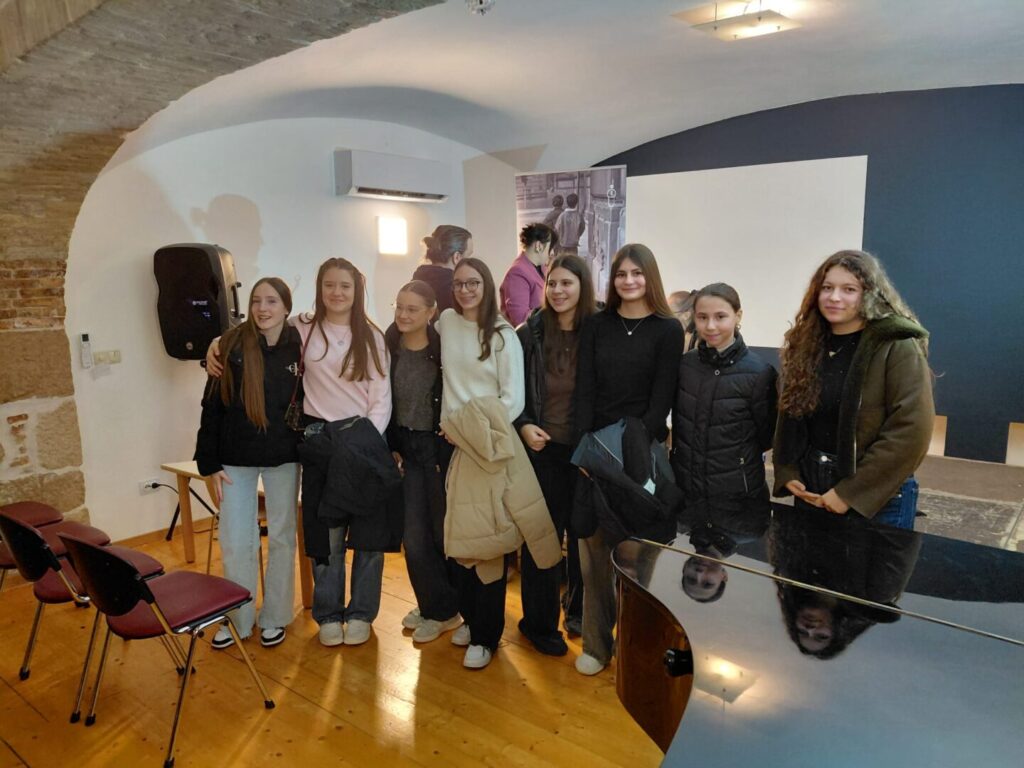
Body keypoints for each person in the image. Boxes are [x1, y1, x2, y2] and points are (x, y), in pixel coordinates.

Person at [437, 257, 558, 669]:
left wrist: (472, 430)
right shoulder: (447, 323)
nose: (465, 290)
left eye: (473, 282)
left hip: (486, 444)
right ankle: (471, 618)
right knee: (459, 538)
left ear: (487, 285)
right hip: (453, 444)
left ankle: (486, 636)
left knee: (488, 537)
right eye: (458, 283)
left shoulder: (504, 335)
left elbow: (513, 400)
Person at [573, 243, 684, 675]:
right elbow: (585, 389)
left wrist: (632, 451)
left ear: (649, 277)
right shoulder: (597, 325)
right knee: (593, 556)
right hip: (596, 452)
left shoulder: (668, 330)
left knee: (641, 560)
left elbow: (661, 399)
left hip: (642, 453)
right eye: (621, 274)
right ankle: (596, 646)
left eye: (637, 273)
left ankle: (635, 648)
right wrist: (590, 448)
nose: (629, 281)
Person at [773, 249, 934, 530]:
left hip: (875, 495)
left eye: (849, 289)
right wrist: (788, 470)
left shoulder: (896, 345)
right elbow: (790, 413)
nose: (834, 297)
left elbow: (911, 430)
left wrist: (850, 493)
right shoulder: (806, 344)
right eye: (827, 288)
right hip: (812, 488)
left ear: (870, 294)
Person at [194, 277, 301, 650]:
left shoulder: (300, 343)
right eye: (256, 301)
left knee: (283, 537)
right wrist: (208, 461)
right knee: (236, 540)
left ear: (286, 307)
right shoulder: (230, 345)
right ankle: (237, 618)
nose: (263, 308)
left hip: (284, 458)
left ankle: (275, 616)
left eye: (272, 301)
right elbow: (212, 405)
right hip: (234, 459)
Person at [515, 253, 595, 651]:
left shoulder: (598, 331)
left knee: (583, 539)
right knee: (541, 540)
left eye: (567, 283)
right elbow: (511, 390)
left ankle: (578, 614)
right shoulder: (529, 333)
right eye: (552, 283)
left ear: (582, 286)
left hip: (585, 453)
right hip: (542, 450)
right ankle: (538, 625)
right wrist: (523, 423)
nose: (558, 290)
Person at [384, 280, 461, 643]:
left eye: (412, 309)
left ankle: (447, 609)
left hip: (439, 449)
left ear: (431, 312)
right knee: (413, 537)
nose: (403, 314)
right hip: (407, 449)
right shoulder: (389, 344)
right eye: (399, 306)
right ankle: (436, 606)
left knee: (443, 535)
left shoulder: (443, 349)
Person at [671, 283, 777, 514]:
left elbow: (766, 436)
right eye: (702, 317)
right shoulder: (685, 365)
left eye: (720, 316)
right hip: (687, 489)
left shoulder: (760, 373)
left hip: (738, 494)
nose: (710, 326)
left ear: (738, 316)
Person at [500, 222, 557, 326]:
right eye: (551, 247)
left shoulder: (542, 267)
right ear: (539, 246)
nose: (552, 252)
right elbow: (520, 319)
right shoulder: (517, 273)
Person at [413, 225, 473, 314]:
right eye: (469, 256)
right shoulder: (457, 292)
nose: (471, 263)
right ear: (457, 257)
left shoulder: (413, 285)